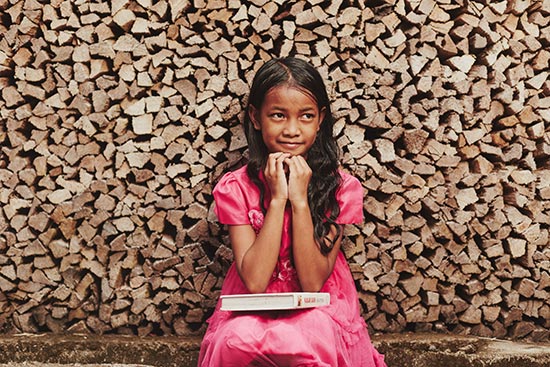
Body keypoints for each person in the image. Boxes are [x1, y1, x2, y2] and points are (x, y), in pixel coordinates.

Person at [198, 57, 386, 367]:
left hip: (319, 309)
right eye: (278, 115)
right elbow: (255, 281)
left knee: (306, 339)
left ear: (320, 119)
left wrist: (300, 202)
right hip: (251, 307)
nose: (292, 130)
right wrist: (276, 200)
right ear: (256, 118)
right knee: (235, 339)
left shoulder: (340, 188)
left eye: (306, 116)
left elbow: (313, 281)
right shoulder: (235, 188)